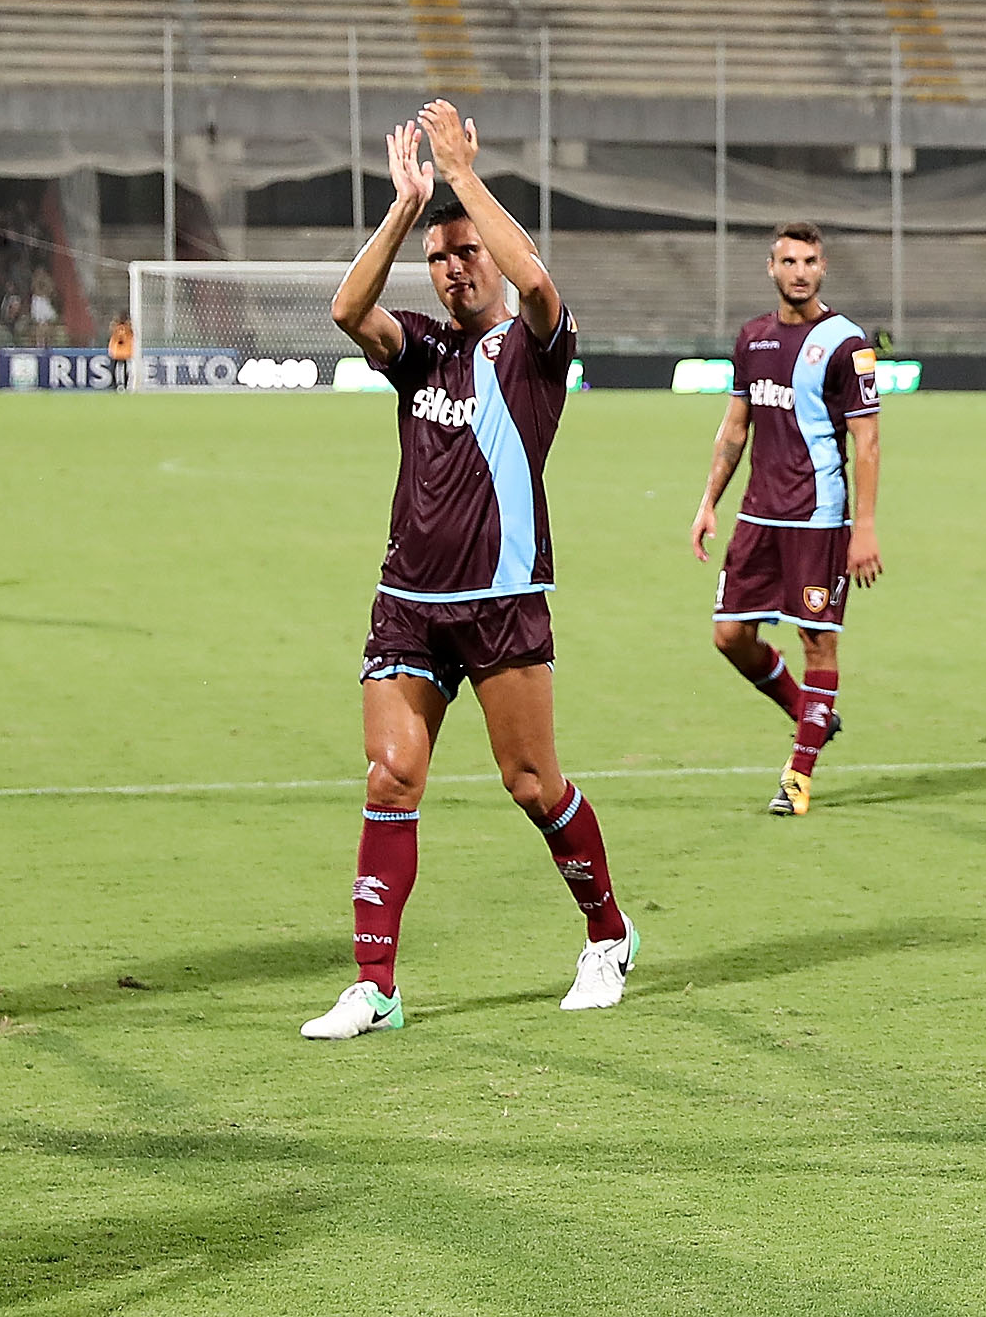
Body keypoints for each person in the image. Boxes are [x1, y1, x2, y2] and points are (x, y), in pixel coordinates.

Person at [303, 100, 636, 1040]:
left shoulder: (534, 347)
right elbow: (345, 311)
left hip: (502, 600)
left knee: (533, 784)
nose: (455, 269)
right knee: (389, 778)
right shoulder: (422, 348)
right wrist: (409, 206)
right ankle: (375, 984)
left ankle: (607, 935)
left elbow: (535, 278)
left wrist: (462, 178)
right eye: (441, 259)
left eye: (466, 253)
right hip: (409, 603)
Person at [689, 221, 884, 815]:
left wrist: (865, 528)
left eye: (810, 261)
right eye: (789, 261)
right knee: (729, 636)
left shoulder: (848, 344)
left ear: (822, 269)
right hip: (758, 517)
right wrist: (707, 502)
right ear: (770, 269)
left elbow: (868, 442)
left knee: (816, 641)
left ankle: (798, 775)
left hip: (819, 519)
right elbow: (735, 428)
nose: (799, 271)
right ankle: (811, 715)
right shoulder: (752, 338)